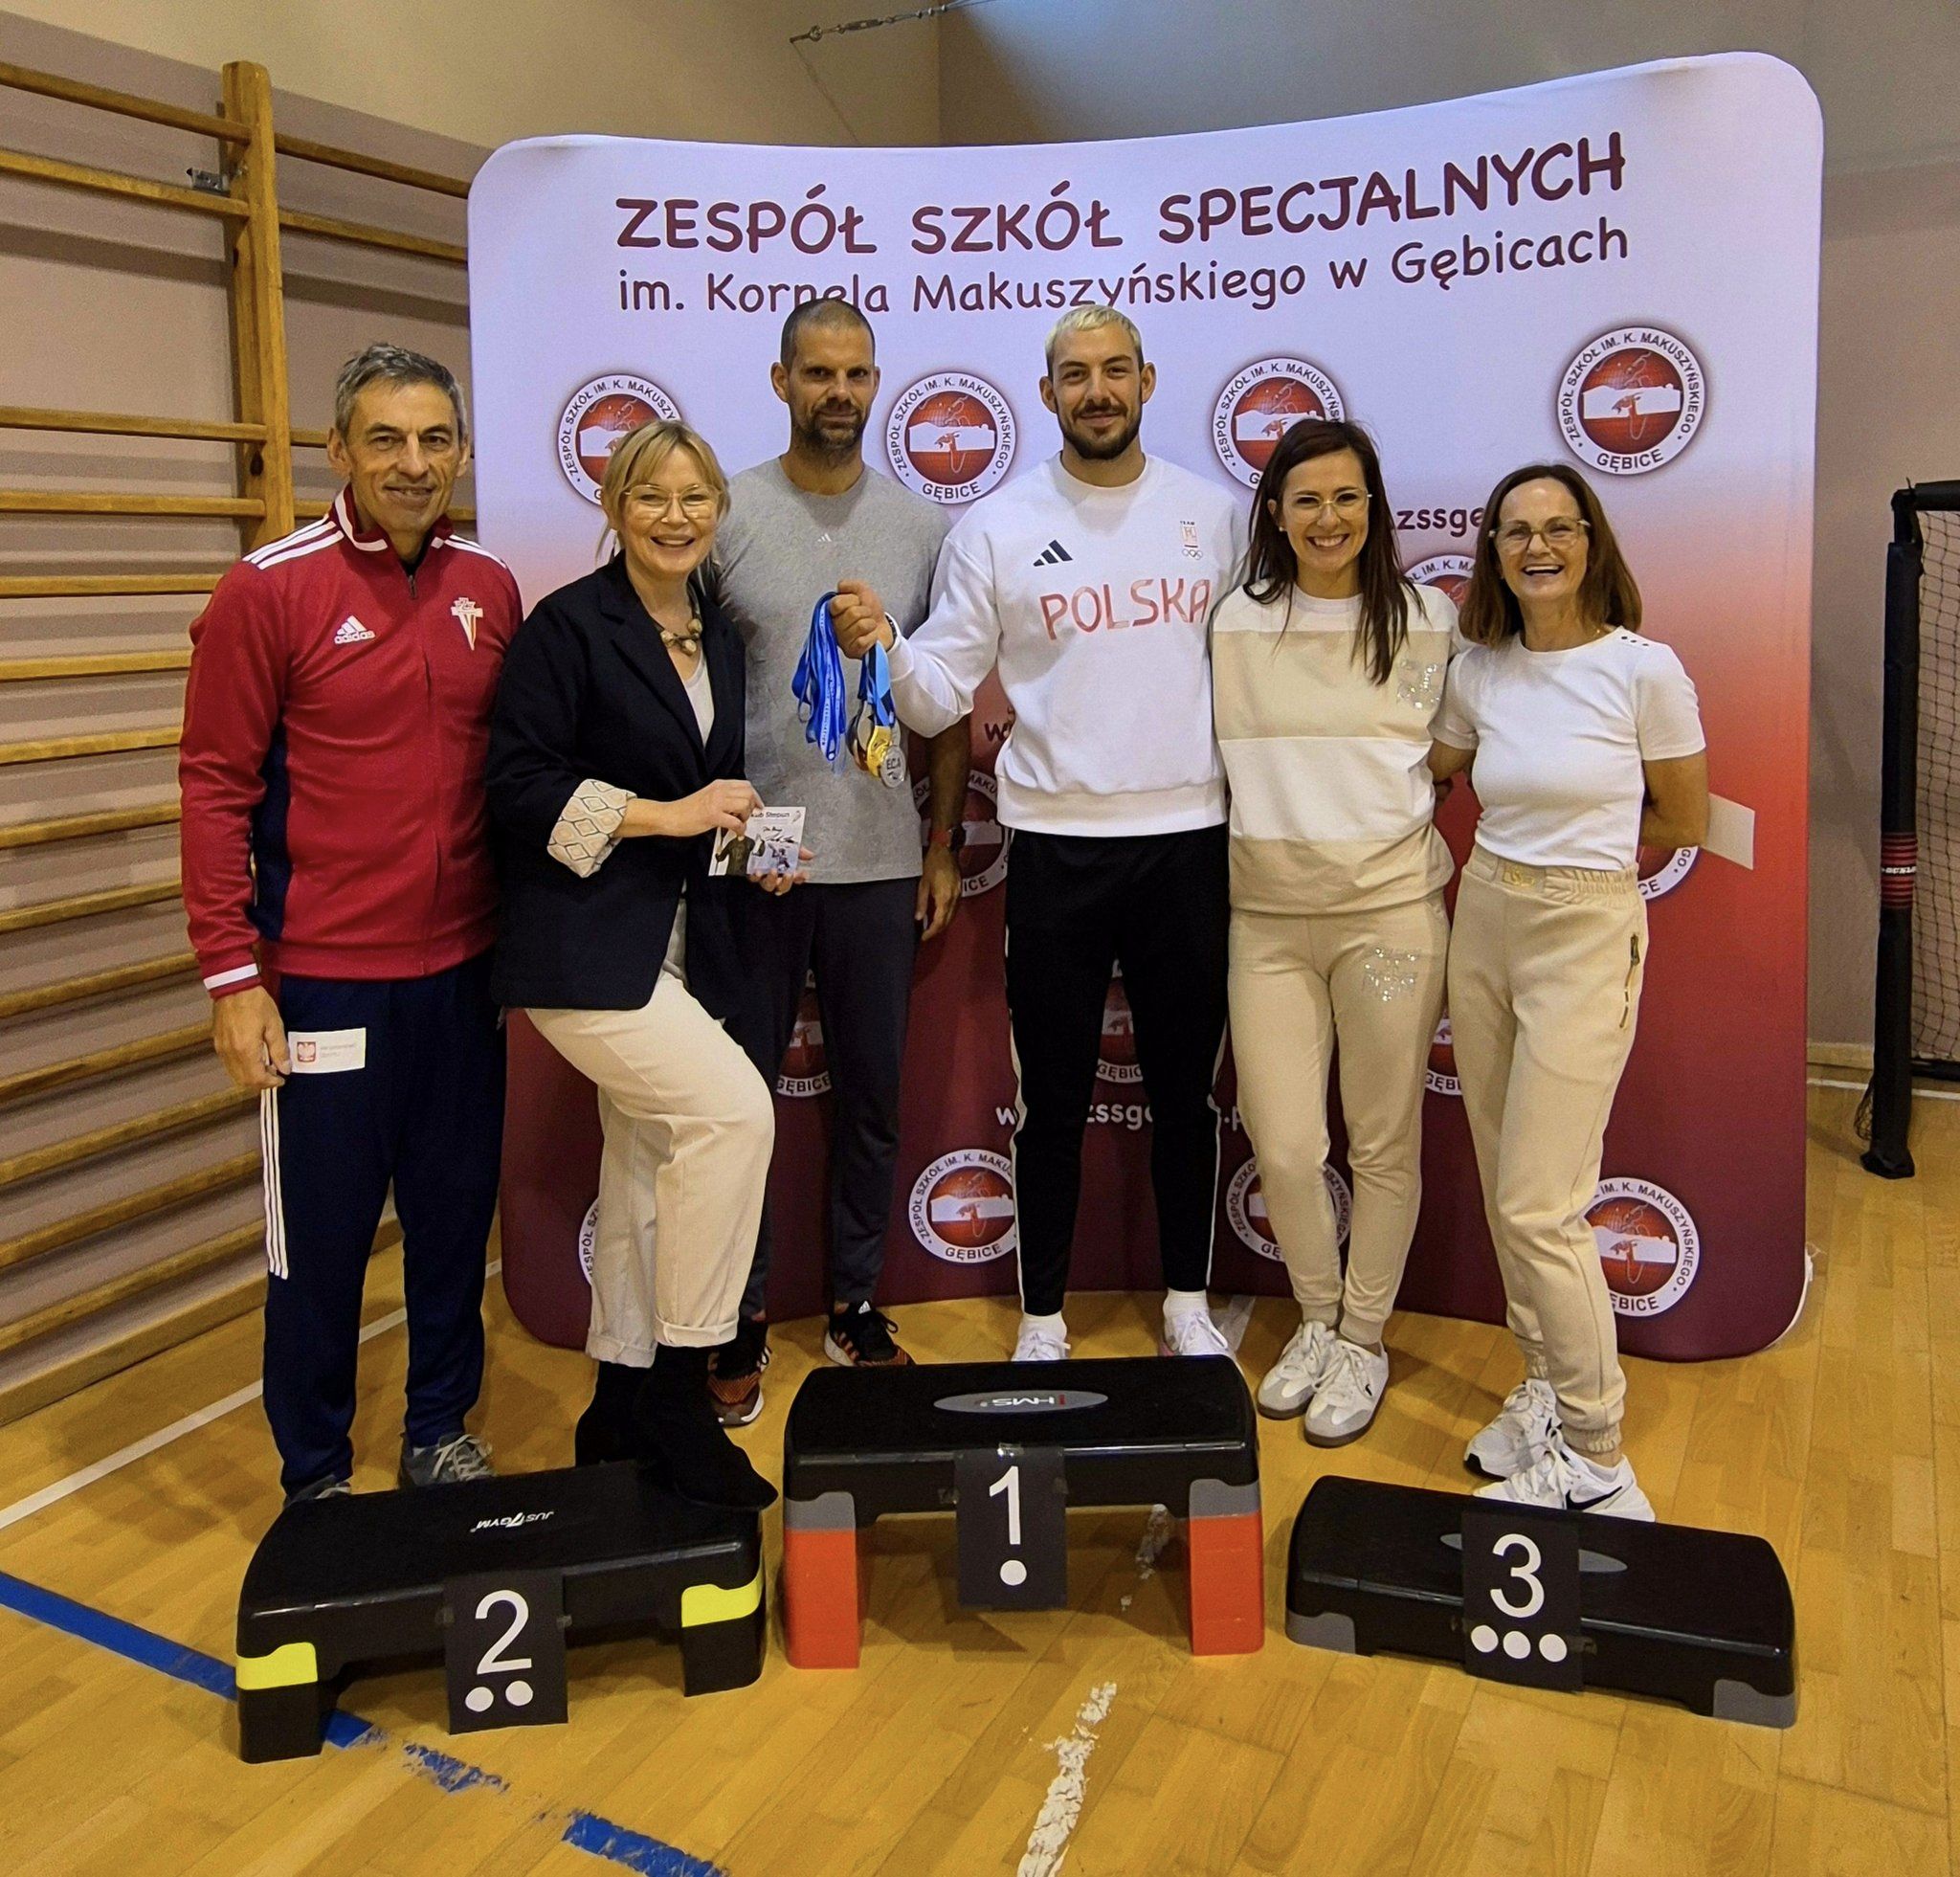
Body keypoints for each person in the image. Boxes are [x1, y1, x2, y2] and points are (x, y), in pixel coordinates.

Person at [832, 306, 1243, 1362]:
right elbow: (937, 693)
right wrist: (886, 647)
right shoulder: (996, 525)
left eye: (1115, 370)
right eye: (1075, 374)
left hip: (1190, 843)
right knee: (1049, 1098)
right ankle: (1044, 1319)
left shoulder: (1216, 517)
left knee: (1186, 1094)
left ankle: (1187, 1305)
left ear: (1147, 381)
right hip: (1057, 850)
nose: (1097, 390)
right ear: (1047, 391)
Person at [179, 343, 519, 1504]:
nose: (412, 462)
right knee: (320, 1241)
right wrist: (232, 978)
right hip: (323, 982)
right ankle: (316, 1472)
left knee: (452, 1219)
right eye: (385, 438)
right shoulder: (266, 587)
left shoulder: (489, 585)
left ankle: (438, 1428)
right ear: (338, 450)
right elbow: (214, 786)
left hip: (465, 973)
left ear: (460, 452)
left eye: (434, 439)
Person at [487, 418, 789, 1512]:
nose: (674, 516)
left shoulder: (720, 634)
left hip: (684, 939)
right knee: (732, 1117)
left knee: (646, 1164)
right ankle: (677, 1390)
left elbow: (713, 796)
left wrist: (748, 851)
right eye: (650, 496)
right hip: (581, 950)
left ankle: (615, 1405)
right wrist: (671, 813)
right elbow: (517, 787)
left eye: (694, 497)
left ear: (719, 510)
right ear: (614, 507)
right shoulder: (566, 626)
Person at [708, 300, 970, 1420]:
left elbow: (944, 703)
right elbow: (680, 684)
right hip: (752, 857)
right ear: (781, 382)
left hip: (876, 857)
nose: (838, 392)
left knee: (871, 1096)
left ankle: (856, 1300)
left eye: (856, 373)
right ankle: (736, 1314)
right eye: (817, 373)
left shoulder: (920, 525)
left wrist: (942, 842)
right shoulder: (722, 513)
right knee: (736, 1104)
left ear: (876, 382)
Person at [1429, 462, 1707, 1518]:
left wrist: (1581, 870)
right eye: (1515, 531)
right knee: (1505, 1174)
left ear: (1591, 541)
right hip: (1483, 915)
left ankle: (1597, 1459)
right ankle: (1544, 1383)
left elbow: (1682, 816)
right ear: (1493, 551)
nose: (1537, 546)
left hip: (1584, 929)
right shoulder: (1479, 670)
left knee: (1541, 1202)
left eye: (1557, 527)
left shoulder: (1644, 670)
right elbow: (1435, 764)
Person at [1214, 419, 1459, 1444]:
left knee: (1383, 1139)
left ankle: (1362, 1336)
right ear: (1275, 512)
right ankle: (1315, 1319)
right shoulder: (1234, 620)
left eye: (1347, 497)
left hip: (1390, 916)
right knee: (1282, 1143)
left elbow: (1447, 752)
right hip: (1265, 921)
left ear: (1374, 506)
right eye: (1307, 499)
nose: (1328, 518)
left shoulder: (1428, 617)